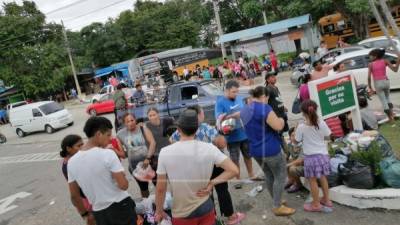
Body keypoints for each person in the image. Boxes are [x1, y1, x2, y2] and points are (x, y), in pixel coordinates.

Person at [155, 109, 239, 225]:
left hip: (182, 211)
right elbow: (234, 170)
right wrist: (212, 183)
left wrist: (159, 211)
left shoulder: (165, 152)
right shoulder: (209, 148)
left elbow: (160, 189)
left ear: (178, 129)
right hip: (205, 206)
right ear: (196, 129)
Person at [67, 117, 137, 225]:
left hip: (99, 213)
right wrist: (122, 176)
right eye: (108, 135)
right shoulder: (107, 154)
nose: (110, 139)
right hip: (120, 206)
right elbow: (124, 185)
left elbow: (74, 196)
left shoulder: (71, 162)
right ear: (99, 134)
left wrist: (85, 214)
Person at [240, 86, 296, 216]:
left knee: (269, 175)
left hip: (255, 149)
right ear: (264, 96)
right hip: (270, 149)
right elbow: (278, 126)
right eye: (268, 98)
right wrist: (282, 119)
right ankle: (277, 206)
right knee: (280, 176)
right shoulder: (265, 108)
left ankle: (276, 200)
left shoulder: (244, 110)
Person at [294, 100, 333, 212]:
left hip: (311, 158)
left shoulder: (302, 127)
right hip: (323, 155)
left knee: (313, 181)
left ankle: (316, 204)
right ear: (315, 110)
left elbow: (296, 141)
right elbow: (328, 136)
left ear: (303, 113)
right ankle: (326, 199)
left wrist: (297, 129)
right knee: (323, 178)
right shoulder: (322, 123)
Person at [215, 80, 256, 186]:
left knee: (248, 156)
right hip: (232, 137)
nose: (236, 94)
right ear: (227, 90)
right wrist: (232, 116)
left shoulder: (239, 98)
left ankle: (251, 174)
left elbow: (246, 111)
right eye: (233, 92)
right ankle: (237, 179)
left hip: (244, 134)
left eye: (237, 91)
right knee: (235, 159)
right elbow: (218, 120)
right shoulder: (220, 102)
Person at [117, 113, 156, 198]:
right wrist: (113, 150)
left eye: (132, 120)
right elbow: (123, 155)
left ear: (135, 120)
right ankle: (148, 207)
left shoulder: (143, 128)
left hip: (151, 163)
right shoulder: (120, 134)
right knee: (144, 189)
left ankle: (161, 205)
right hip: (135, 167)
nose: (130, 123)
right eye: (127, 121)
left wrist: (148, 158)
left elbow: (152, 143)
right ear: (124, 123)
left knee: (158, 185)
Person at [60, 135, 94, 225]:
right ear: (68, 148)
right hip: (85, 199)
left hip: (86, 197)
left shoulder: (72, 160)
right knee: (93, 220)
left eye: (83, 144)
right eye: (79, 146)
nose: (82, 148)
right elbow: (75, 193)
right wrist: (84, 213)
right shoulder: (70, 164)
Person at [368, 48, 400, 122]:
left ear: (375, 56)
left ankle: (390, 118)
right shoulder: (385, 61)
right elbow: (395, 70)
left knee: (383, 101)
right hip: (386, 81)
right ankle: (392, 114)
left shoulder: (370, 64)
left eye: (370, 56)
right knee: (388, 98)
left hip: (378, 83)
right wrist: (398, 60)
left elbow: (369, 77)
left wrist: (370, 88)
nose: (369, 57)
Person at [145, 107, 174, 180]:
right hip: (157, 154)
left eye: (154, 115)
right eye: (150, 116)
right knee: (160, 177)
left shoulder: (166, 122)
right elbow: (152, 143)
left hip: (169, 151)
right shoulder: (147, 125)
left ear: (158, 114)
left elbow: (173, 136)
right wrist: (148, 157)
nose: (152, 117)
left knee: (173, 175)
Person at [285, 127, 304, 193]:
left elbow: (300, 160)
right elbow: (286, 156)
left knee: (291, 168)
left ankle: (298, 185)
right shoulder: (290, 145)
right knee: (287, 162)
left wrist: (287, 165)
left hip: (306, 165)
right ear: (290, 137)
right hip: (298, 164)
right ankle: (291, 180)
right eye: (292, 135)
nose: (295, 137)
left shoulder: (304, 145)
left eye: (297, 135)